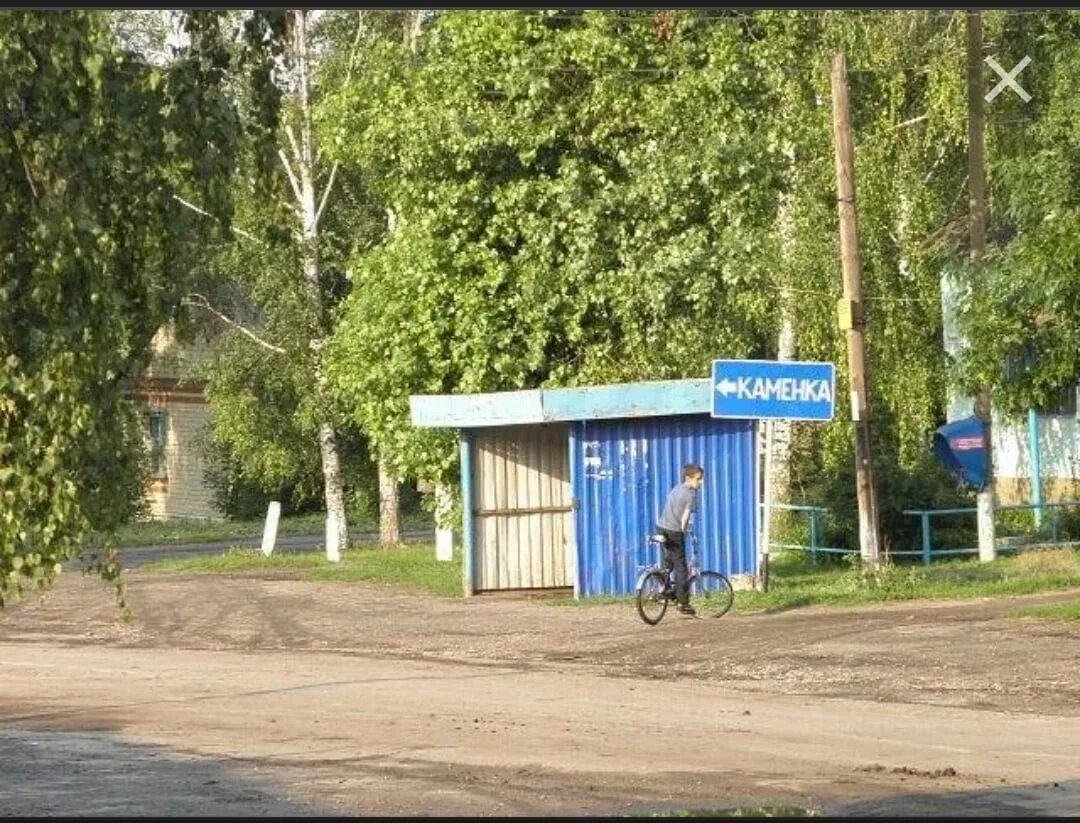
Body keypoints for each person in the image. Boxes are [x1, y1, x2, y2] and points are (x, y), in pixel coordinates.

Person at [656, 463, 705, 616]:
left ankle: (664, 589)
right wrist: (684, 530)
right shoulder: (690, 494)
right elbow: (685, 517)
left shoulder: (676, 488)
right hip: (674, 531)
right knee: (681, 567)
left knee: (668, 561)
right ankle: (683, 603)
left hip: (661, 527)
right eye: (698, 479)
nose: (701, 482)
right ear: (688, 478)